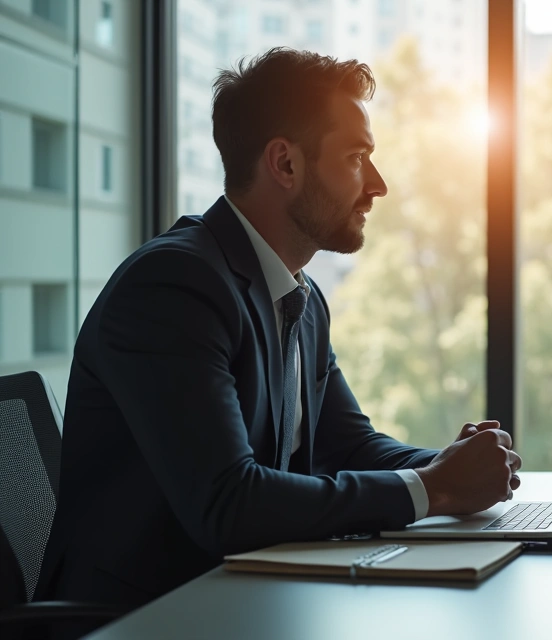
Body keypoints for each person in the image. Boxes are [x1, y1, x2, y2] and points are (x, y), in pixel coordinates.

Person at [35, 48, 522, 614]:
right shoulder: (173, 286)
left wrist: (452, 465)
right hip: (144, 616)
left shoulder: (299, 297)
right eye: (357, 157)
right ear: (285, 164)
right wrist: (435, 489)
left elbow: (349, 445)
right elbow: (229, 501)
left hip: (242, 597)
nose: (379, 185)